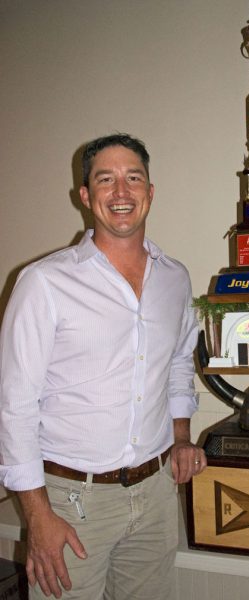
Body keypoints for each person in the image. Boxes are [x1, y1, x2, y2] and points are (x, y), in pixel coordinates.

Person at [0, 133, 206, 600]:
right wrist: (37, 516)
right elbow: (13, 405)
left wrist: (179, 438)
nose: (121, 192)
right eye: (105, 180)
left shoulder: (175, 278)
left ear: (150, 192)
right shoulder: (44, 283)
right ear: (86, 196)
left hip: (155, 494)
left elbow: (177, 364)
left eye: (133, 178)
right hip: (73, 502)